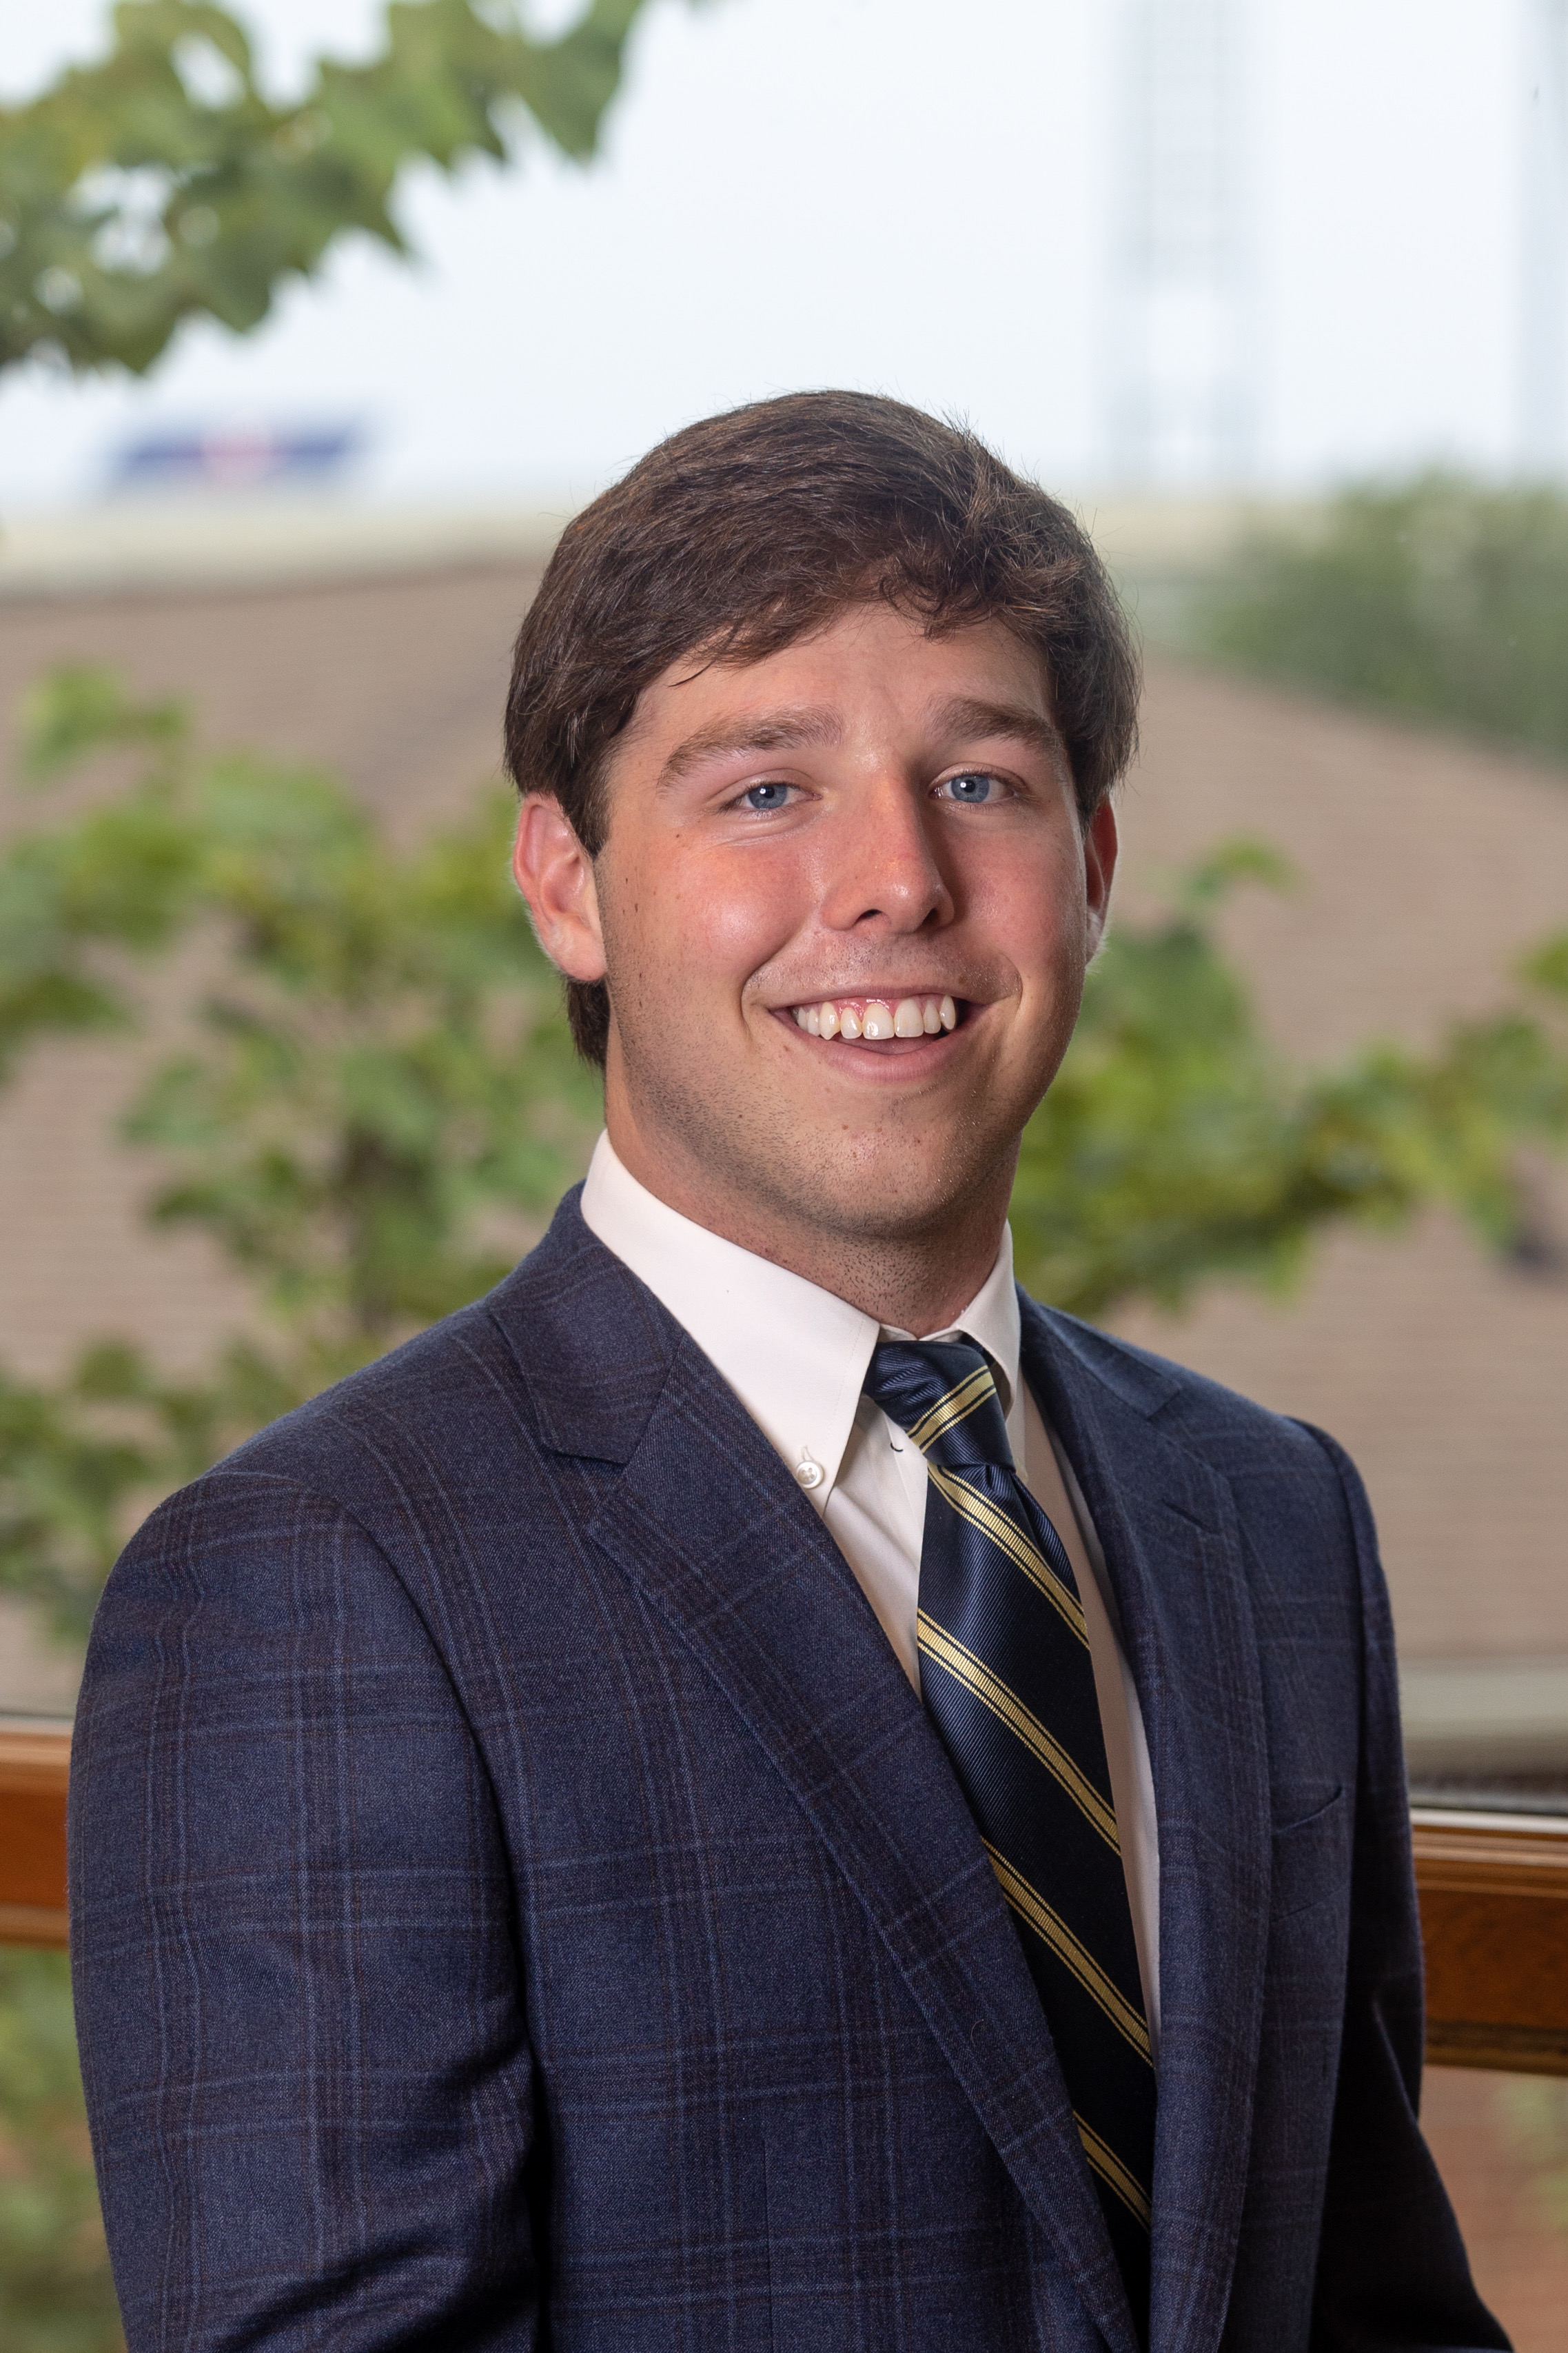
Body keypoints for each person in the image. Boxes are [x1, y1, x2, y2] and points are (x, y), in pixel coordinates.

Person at [68, 392, 1506, 2353]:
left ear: (1090, 865)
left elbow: (1372, 2304)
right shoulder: (315, 1585)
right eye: (764, 791)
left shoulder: (1264, 1519)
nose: (894, 881)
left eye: (979, 784)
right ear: (566, 884)